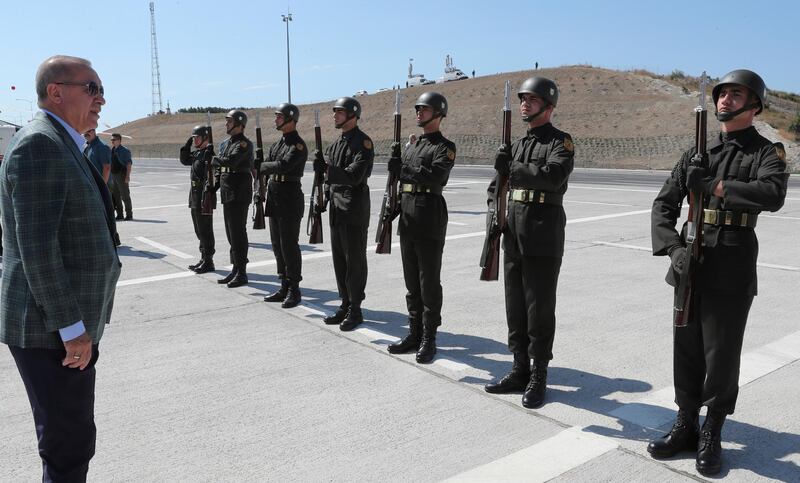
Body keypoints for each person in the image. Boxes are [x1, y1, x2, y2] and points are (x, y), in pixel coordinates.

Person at [648, 69, 788, 476]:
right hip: (690, 263)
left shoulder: (766, 152)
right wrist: (673, 249)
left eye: (735, 93)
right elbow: (663, 205)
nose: (725, 99)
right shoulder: (697, 152)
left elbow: (772, 194)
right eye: (722, 93)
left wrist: (717, 186)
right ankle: (686, 423)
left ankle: (713, 429)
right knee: (686, 348)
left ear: (755, 104)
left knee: (721, 354)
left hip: (731, 261)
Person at [0, 55, 120, 482]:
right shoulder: (40, 145)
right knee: (67, 445)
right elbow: (38, 250)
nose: (101, 99)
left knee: (71, 439)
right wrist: (72, 329)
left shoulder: (64, 142)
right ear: (56, 91)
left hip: (61, 327)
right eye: (92, 88)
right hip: (50, 330)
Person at [482, 77, 574, 409]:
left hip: (542, 232)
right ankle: (519, 367)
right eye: (523, 99)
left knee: (539, 307)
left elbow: (552, 177)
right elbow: (497, 186)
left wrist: (514, 167)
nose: (524, 103)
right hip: (513, 232)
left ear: (548, 106)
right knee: (515, 304)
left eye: (532, 99)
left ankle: (539, 373)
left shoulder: (561, 142)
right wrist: (495, 212)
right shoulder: (517, 144)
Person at [386, 92, 455, 364]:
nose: (418, 112)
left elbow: (436, 175)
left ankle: (429, 337)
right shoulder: (412, 146)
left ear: (438, 113)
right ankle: (413, 332)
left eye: (424, 109)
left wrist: (402, 169)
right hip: (408, 217)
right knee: (411, 282)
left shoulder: (445, 147)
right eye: (417, 109)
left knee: (428, 282)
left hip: (429, 217)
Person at [313, 97, 374, 331]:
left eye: (339, 112)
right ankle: (345, 302)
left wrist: (327, 170)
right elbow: (331, 179)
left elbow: (354, 175)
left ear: (352, 115)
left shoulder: (363, 143)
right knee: (339, 259)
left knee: (354, 260)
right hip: (336, 208)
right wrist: (323, 197)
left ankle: (356, 308)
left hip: (353, 208)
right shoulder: (337, 144)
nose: (335, 116)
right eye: (335, 112)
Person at [258, 103, 308, 308]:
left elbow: (283, 166)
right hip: (275, 197)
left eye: (279, 117)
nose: (275, 120)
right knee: (277, 246)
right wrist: (264, 166)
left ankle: (294, 289)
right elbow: (271, 165)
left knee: (289, 246)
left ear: (290, 119)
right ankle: (284, 285)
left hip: (289, 198)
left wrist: (261, 166)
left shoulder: (297, 145)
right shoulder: (278, 144)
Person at [213, 109, 254, 288]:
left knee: (238, 232)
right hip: (228, 191)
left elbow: (231, 161)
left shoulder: (244, 144)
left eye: (229, 122)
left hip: (239, 191)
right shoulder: (229, 143)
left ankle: (242, 272)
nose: (226, 124)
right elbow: (223, 163)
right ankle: (236, 268)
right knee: (231, 233)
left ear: (239, 124)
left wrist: (213, 159)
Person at [179, 125, 217, 274]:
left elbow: (213, 174)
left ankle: (209, 260)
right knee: (198, 229)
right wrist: (187, 145)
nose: (195, 140)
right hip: (194, 194)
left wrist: (208, 194)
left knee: (205, 229)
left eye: (197, 137)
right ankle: (203, 257)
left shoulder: (209, 154)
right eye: (194, 137)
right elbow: (184, 160)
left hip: (204, 194)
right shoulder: (198, 153)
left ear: (206, 138)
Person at [109, 132, 133, 220]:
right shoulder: (112, 150)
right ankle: (120, 214)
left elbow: (129, 164)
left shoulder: (125, 151)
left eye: (113, 140)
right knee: (116, 196)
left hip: (121, 175)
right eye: (111, 140)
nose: (112, 141)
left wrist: (127, 176)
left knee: (125, 195)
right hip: (113, 175)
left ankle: (129, 214)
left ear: (119, 140)